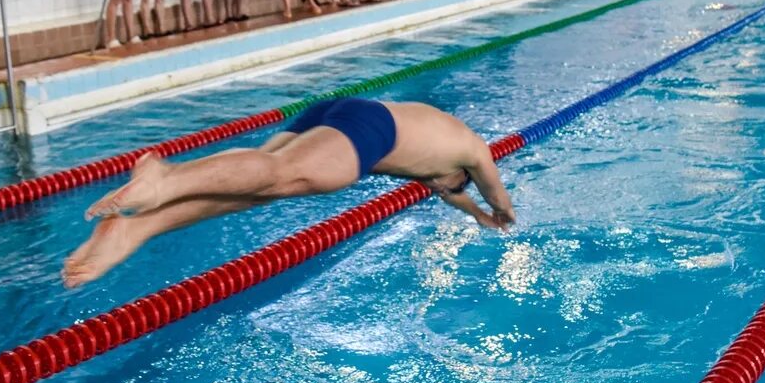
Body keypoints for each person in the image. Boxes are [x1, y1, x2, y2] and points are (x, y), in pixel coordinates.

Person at [63, 99, 517, 287]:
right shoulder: (474, 152)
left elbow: (461, 196)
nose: (441, 189)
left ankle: (138, 228)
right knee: (283, 173)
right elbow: (497, 193)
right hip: (373, 128)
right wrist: (505, 218)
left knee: (261, 187)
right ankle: (166, 179)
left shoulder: (444, 155)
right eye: (450, 186)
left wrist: (477, 216)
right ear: (459, 174)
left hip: (345, 113)